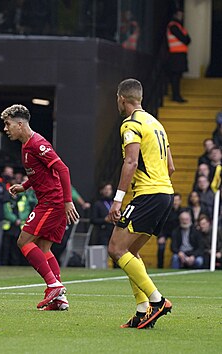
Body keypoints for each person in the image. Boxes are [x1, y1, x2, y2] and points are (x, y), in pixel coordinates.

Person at [107, 78, 174, 330]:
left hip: (148, 195)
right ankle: (141, 310)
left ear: (121, 98)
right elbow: (170, 166)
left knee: (115, 248)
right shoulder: (157, 124)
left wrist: (118, 199)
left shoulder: (131, 124)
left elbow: (131, 162)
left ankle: (156, 301)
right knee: (131, 251)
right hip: (165, 194)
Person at [2, 104, 79, 311]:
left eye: (8, 124)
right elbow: (41, 173)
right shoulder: (27, 145)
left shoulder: (37, 143)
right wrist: (25, 186)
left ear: (20, 124)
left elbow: (62, 169)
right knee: (44, 248)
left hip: (52, 202)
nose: (6, 128)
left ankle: (53, 285)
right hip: (50, 201)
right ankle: (60, 299)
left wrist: (67, 201)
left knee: (24, 241)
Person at [166, 8, 190, 103]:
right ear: (175, 15)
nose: (181, 16)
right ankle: (176, 96)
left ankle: (176, 95)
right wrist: (186, 38)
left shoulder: (178, 26)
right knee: (176, 75)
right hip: (176, 54)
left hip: (179, 54)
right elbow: (185, 39)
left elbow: (187, 39)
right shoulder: (173, 26)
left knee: (177, 75)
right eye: (179, 14)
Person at [157, 193, 183, 268]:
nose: (175, 202)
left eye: (177, 200)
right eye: (174, 200)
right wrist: (161, 236)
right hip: (165, 232)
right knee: (161, 247)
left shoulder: (182, 211)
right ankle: (160, 266)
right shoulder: (165, 210)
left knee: (178, 247)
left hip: (178, 233)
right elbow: (160, 223)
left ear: (180, 201)